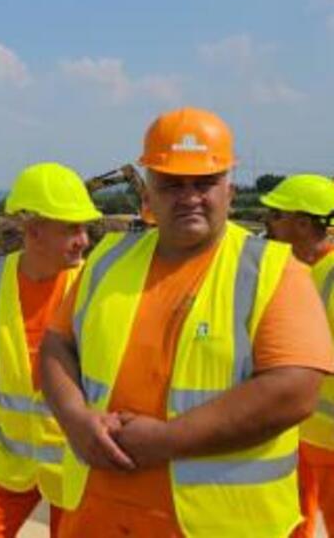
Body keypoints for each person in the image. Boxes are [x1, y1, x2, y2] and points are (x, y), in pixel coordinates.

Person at [40, 107, 334, 536]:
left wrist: (168, 441)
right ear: (149, 194)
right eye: (172, 184)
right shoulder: (108, 258)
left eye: (205, 183)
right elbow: (56, 344)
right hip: (96, 514)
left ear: (230, 190)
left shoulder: (273, 270)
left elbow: (294, 390)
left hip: (219, 525)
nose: (189, 196)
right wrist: (74, 418)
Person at [0, 163, 101, 537]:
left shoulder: (94, 285)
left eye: (85, 228)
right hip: (9, 458)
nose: (83, 239)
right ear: (34, 231)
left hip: (75, 461)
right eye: (71, 228)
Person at [260, 174, 334, 536]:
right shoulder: (299, 271)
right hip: (302, 434)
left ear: (303, 223)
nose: (268, 224)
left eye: (277, 215)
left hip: (328, 441)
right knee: (291, 524)